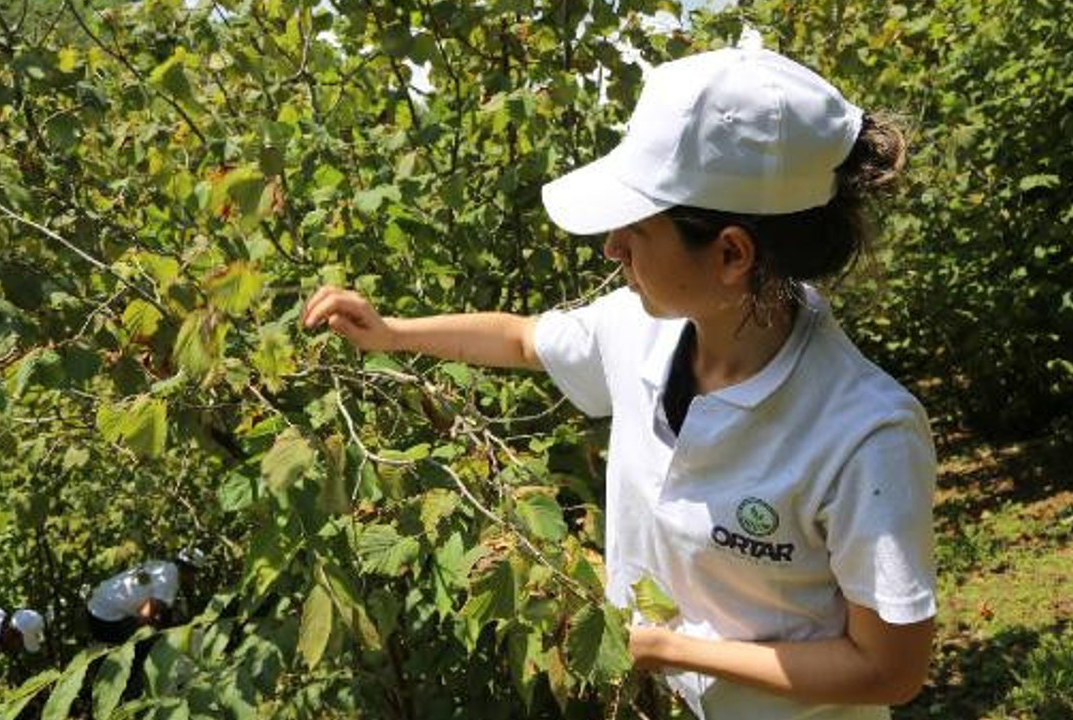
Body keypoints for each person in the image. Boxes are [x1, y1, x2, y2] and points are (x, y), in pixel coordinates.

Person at [301, 41, 936, 720]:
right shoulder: (643, 328)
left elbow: (888, 669)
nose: (612, 249)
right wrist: (392, 332)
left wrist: (668, 650)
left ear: (730, 253)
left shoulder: (864, 435)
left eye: (635, 228)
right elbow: (520, 339)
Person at [85, 547, 205, 644]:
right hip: (105, 620)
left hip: (94, 606)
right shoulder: (170, 579)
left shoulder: (160, 566)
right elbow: (144, 616)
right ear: (191, 572)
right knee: (149, 643)